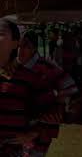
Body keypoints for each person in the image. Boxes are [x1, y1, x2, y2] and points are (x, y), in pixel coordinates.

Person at [17, 30, 79, 156]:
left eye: (26, 46)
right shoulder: (14, 67)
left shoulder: (46, 67)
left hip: (42, 127)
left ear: (34, 48)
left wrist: (54, 97)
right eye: (18, 46)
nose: (20, 51)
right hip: (20, 123)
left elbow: (71, 87)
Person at [0, 18, 46, 156]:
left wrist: (32, 134)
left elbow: (45, 114)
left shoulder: (29, 79)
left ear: (15, 43)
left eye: (1, 33)